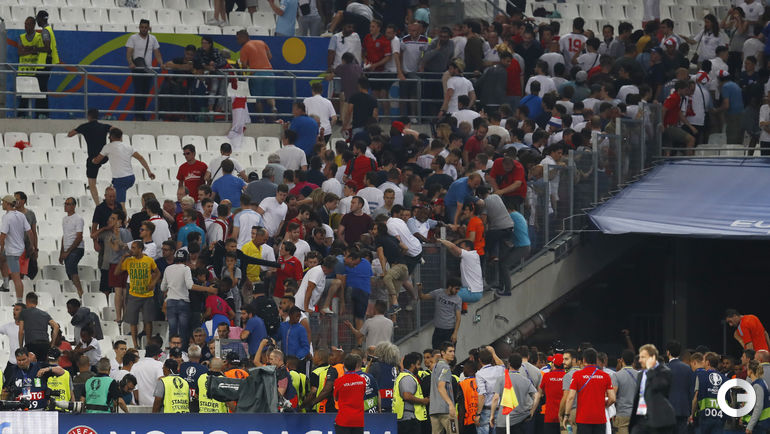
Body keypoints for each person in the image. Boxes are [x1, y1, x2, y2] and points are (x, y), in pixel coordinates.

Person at [92, 128, 155, 209]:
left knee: (120, 205)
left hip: (120, 179)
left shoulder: (108, 147)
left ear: (111, 137)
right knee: (115, 198)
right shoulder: (128, 147)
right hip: (130, 178)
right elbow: (140, 158)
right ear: (121, 137)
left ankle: (123, 217)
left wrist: (92, 160)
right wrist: (149, 172)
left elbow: (97, 161)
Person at [563, 348, 616, 434]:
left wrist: (566, 415)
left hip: (583, 419)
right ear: (596, 360)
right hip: (600, 419)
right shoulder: (605, 376)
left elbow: (570, 397)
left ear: (584, 360)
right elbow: (613, 398)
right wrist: (603, 406)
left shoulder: (577, 375)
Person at [118, 240, 161, 349]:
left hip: (147, 295)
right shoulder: (129, 261)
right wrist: (122, 258)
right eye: (131, 247)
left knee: (148, 320)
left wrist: (153, 283)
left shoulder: (149, 260)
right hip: (133, 295)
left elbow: (158, 273)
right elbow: (117, 272)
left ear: (140, 249)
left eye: (134, 248)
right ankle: (135, 344)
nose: (131, 250)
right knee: (133, 321)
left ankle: (149, 342)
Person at [68, 109, 112, 204]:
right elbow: (115, 129)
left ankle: (97, 204)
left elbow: (70, 134)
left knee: (91, 182)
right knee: (96, 166)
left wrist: (78, 130)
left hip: (93, 158)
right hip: (103, 157)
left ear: (88, 116)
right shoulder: (104, 126)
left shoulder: (85, 127)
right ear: (97, 116)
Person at [630, 344, 676, 434]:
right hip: (641, 420)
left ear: (652, 357)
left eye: (643, 357)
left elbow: (657, 386)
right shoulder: (640, 374)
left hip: (659, 421)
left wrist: (650, 370)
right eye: (640, 357)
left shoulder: (664, 371)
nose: (639, 360)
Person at [126, 19, 163, 120]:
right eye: (142, 27)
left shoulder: (153, 38)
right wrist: (130, 63)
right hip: (137, 68)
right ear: (139, 27)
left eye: (146, 27)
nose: (144, 29)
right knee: (138, 92)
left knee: (145, 93)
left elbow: (157, 53)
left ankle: (142, 115)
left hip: (148, 69)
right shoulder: (133, 38)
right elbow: (129, 52)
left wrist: (161, 63)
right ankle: (138, 115)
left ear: (149, 28)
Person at [1, 195, 34, 302]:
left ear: (8, 203)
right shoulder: (21, 215)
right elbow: (30, 232)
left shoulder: (6, 217)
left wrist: (1, 248)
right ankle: (5, 283)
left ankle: (19, 301)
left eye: (3, 202)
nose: (2, 204)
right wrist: (32, 245)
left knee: (16, 278)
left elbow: (3, 235)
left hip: (12, 251)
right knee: (2, 260)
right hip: (20, 248)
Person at [236, 30, 276, 116]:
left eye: (238, 39)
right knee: (270, 95)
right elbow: (270, 57)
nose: (237, 41)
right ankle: (273, 107)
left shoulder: (244, 48)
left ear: (243, 37)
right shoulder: (261, 42)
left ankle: (261, 118)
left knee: (257, 99)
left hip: (256, 75)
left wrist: (246, 70)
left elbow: (244, 66)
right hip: (269, 73)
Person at [394, 351, 430, 434]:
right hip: (408, 420)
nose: (419, 367)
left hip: (404, 419)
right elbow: (406, 396)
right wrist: (423, 401)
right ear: (412, 365)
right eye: (418, 364)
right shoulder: (407, 378)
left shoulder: (403, 376)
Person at [438, 238, 483, 303]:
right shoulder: (472, 255)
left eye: (462, 248)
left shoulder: (469, 255)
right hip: (473, 292)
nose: (460, 249)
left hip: (472, 293)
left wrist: (440, 240)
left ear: (468, 248)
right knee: (446, 295)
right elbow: (455, 253)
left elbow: (454, 247)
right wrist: (447, 246)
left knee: (443, 295)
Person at [18, 292, 59, 363]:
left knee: (32, 367)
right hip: (45, 344)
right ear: (36, 302)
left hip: (31, 344)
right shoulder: (45, 314)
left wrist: (21, 347)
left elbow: (21, 331)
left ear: (26, 301)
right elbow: (56, 326)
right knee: (43, 366)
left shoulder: (23, 313)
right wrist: (52, 344)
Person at [33, 10, 59, 118]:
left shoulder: (45, 31)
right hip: (47, 62)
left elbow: (47, 48)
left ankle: (41, 113)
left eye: (37, 19)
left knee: (41, 89)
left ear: (40, 19)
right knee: (42, 89)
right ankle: (43, 113)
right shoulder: (49, 29)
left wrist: (36, 49)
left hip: (44, 63)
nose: (37, 22)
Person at [334, 354, 366, 434]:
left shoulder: (339, 381)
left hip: (343, 420)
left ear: (344, 366)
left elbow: (336, 398)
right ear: (356, 365)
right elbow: (362, 394)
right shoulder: (362, 380)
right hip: (358, 420)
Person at [429, 342, 457, 433]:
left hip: (434, 410)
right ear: (443, 353)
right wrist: (450, 404)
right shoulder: (445, 367)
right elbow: (441, 387)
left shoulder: (435, 367)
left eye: (453, 351)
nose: (453, 354)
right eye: (450, 351)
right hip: (446, 410)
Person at [60, 197, 85, 297]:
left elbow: (79, 237)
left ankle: (80, 291)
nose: (66, 206)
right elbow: (64, 236)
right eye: (65, 204)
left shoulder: (78, 219)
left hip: (77, 248)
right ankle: (75, 291)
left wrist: (68, 252)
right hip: (67, 248)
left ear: (74, 206)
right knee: (69, 270)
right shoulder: (64, 219)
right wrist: (62, 252)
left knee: (71, 267)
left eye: (68, 204)